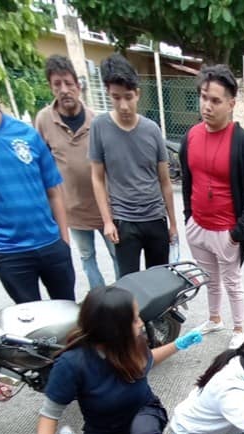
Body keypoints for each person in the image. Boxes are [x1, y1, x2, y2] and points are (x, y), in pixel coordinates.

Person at [33, 286, 202, 434]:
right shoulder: (72, 363)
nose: (141, 322)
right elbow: (50, 413)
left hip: (144, 412)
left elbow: (147, 361)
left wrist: (179, 344)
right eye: (134, 319)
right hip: (104, 429)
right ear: (112, 329)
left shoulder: (133, 341)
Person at [0, 36, 75, 304]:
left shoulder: (27, 134)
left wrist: (63, 242)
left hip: (51, 245)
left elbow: (54, 191)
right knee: (30, 328)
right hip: (10, 254)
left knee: (69, 317)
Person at [180, 64, 244, 350]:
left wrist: (237, 232)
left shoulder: (242, 143)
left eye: (215, 100)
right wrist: (188, 218)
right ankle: (214, 318)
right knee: (209, 279)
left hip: (226, 230)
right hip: (198, 227)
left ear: (231, 103)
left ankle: (239, 328)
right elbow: (187, 182)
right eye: (204, 97)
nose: (207, 105)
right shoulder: (191, 137)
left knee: (232, 282)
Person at [89, 54, 177, 277]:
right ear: (109, 93)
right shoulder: (99, 127)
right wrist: (108, 221)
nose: (124, 105)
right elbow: (97, 178)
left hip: (155, 218)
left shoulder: (152, 130)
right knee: (129, 284)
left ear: (137, 93)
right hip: (124, 221)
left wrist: (173, 224)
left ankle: (159, 315)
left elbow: (164, 181)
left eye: (128, 97)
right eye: (116, 98)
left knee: (159, 281)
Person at [36, 54, 119, 290]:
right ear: (51, 88)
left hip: (104, 208)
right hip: (72, 209)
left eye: (68, 84)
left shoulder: (97, 121)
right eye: (57, 85)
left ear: (78, 86)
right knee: (86, 257)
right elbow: (42, 165)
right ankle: (100, 298)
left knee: (116, 255)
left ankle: (122, 299)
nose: (64, 90)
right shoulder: (43, 120)